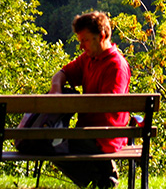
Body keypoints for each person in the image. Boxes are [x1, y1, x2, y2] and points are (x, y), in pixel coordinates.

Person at [49, 11, 131, 189]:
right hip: (86, 132)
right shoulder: (89, 59)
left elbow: (108, 105)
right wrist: (56, 90)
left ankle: (102, 176)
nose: (81, 46)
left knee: (51, 145)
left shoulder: (116, 66)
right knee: (48, 142)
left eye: (85, 40)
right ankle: (102, 176)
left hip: (105, 136)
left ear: (101, 36)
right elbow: (61, 74)